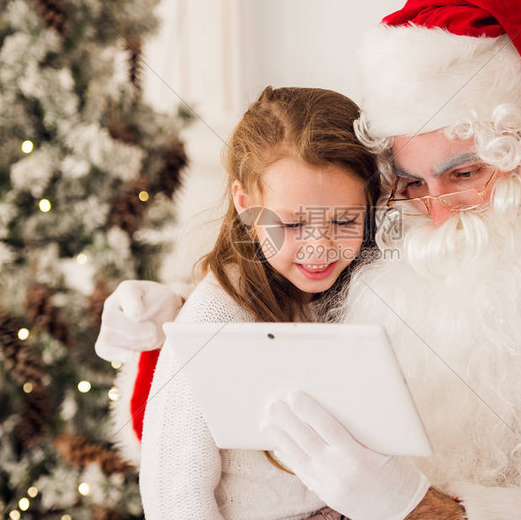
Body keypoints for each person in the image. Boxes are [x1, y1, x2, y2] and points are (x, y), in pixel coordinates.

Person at [99, 0, 521, 520]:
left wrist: (420, 510)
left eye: (465, 174)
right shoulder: (392, 232)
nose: (434, 207)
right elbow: (225, 419)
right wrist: (167, 338)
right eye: (409, 181)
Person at [118, 86, 382, 519]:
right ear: (247, 206)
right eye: (294, 223)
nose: (320, 247)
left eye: (344, 220)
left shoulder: (361, 291)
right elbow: (174, 494)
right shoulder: (214, 318)